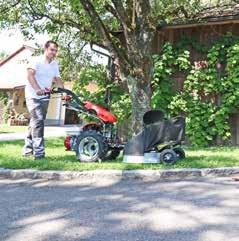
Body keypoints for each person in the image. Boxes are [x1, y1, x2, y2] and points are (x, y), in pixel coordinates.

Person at [22, 40, 64, 159]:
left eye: (55, 50)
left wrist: (65, 92)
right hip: (33, 95)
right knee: (38, 121)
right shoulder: (37, 60)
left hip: (45, 96)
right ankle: (39, 152)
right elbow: (30, 75)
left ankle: (27, 150)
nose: (54, 52)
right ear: (45, 49)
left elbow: (57, 79)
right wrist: (37, 89)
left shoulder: (54, 64)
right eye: (52, 50)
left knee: (35, 122)